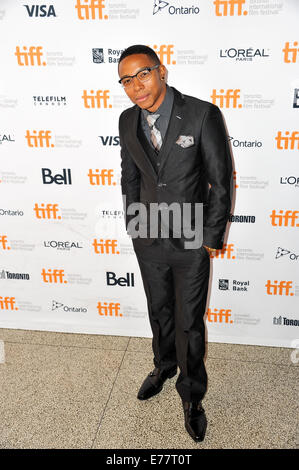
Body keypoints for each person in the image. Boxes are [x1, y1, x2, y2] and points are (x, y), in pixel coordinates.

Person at [118, 45, 232, 442]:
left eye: (143, 74)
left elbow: (220, 180)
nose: (136, 87)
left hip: (190, 241)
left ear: (161, 71)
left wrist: (210, 239)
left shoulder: (202, 114)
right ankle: (164, 366)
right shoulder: (127, 121)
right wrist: (134, 224)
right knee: (158, 312)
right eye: (127, 80)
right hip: (147, 238)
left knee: (188, 323)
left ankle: (192, 395)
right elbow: (129, 177)